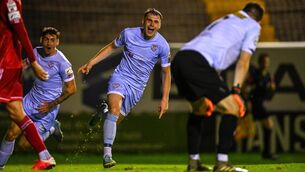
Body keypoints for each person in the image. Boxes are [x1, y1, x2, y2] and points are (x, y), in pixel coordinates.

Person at [171, 2, 264, 172]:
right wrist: (236, 91)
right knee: (234, 108)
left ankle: (193, 163)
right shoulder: (253, 26)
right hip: (198, 63)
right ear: (258, 20)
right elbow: (244, 61)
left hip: (180, 59)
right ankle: (222, 163)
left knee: (199, 109)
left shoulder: (226, 19)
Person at [78, 8, 171, 168]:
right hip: (120, 78)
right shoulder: (128, 34)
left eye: (156, 22)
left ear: (160, 25)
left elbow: (166, 73)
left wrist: (165, 99)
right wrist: (91, 62)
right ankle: (107, 155)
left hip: (137, 88)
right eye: (149, 20)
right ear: (143, 22)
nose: (152, 24)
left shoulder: (162, 45)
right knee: (115, 110)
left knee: (114, 119)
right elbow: (110, 47)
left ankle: (103, 111)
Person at [0, 26, 77, 167]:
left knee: (24, 145)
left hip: (46, 109)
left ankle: (52, 127)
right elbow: (23, 65)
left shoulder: (63, 62)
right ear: (41, 40)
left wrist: (51, 104)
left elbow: (72, 89)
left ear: (57, 42)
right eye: (46, 39)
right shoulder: (35, 52)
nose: (49, 43)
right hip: (29, 102)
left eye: (52, 40)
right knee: (11, 134)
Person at [0, 0, 56, 170]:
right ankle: (45, 156)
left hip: (5, 63)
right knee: (17, 113)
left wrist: (33, 61)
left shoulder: (9, 1)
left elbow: (20, 29)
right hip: (10, 63)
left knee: (17, 114)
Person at [247, 53, 276, 159]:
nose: (266, 64)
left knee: (267, 126)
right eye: (264, 62)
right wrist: (248, 101)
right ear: (260, 63)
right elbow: (247, 88)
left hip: (261, 102)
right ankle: (266, 152)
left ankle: (266, 152)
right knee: (268, 124)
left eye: (267, 62)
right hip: (255, 102)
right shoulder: (255, 74)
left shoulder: (268, 75)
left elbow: (270, 95)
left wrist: (272, 89)